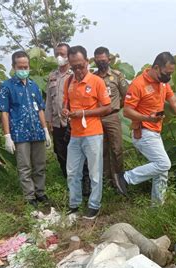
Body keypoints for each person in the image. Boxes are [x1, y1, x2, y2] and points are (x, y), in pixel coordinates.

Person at [113, 52, 176, 206]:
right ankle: (125, 178)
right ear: (157, 68)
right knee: (164, 164)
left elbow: (173, 101)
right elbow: (126, 111)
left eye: (171, 73)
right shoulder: (138, 84)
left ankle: (157, 207)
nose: (169, 77)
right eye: (167, 73)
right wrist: (148, 118)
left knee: (161, 172)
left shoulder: (163, 83)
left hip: (155, 132)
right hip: (143, 131)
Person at [0, 50, 52, 209]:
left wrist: (45, 130)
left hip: (37, 131)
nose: (23, 69)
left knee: (40, 164)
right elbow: (4, 112)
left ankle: (40, 192)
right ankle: (29, 196)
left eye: (26, 66)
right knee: (25, 166)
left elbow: (40, 108)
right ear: (13, 67)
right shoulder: (6, 87)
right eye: (20, 66)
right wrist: (7, 135)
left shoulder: (34, 85)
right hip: (20, 133)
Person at [62, 45, 112, 219]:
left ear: (87, 62)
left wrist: (84, 113)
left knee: (94, 173)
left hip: (93, 133)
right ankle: (74, 205)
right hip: (75, 135)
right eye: (73, 66)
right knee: (72, 172)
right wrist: (65, 111)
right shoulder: (69, 82)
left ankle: (94, 205)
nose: (78, 70)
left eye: (80, 65)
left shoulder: (97, 81)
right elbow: (65, 103)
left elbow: (107, 107)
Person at [45, 43, 91, 195]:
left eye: (63, 54)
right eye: (57, 53)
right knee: (60, 153)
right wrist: (48, 120)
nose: (60, 57)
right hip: (57, 122)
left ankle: (85, 183)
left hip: (74, 123)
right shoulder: (52, 76)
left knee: (80, 154)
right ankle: (70, 181)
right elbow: (49, 102)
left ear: (69, 57)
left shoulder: (75, 74)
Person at [93, 46, 128, 186]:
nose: (101, 62)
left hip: (112, 116)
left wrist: (116, 108)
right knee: (102, 150)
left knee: (117, 148)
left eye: (103, 60)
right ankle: (107, 181)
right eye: (98, 60)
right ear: (94, 61)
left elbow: (126, 96)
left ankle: (119, 179)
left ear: (108, 59)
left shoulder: (117, 75)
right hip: (96, 118)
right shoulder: (93, 77)